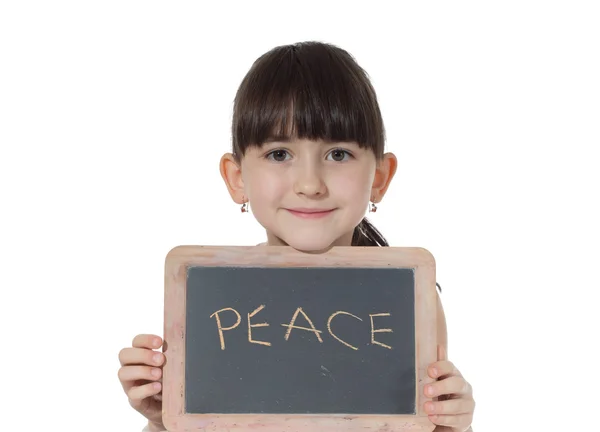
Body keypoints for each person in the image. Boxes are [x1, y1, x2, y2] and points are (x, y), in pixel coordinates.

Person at [118, 41, 475, 432]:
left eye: (338, 154)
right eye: (279, 154)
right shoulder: (209, 296)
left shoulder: (408, 297)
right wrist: (164, 420)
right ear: (237, 179)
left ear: (379, 178)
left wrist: (451, 425)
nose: (309, 184)